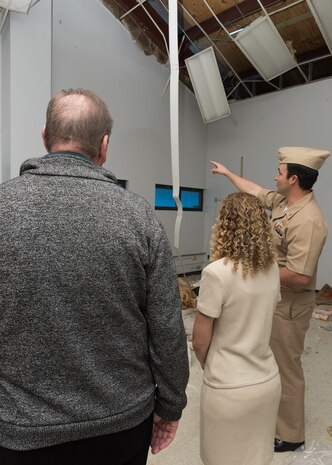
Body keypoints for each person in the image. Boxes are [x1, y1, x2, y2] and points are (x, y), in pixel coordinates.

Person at [0, 89, 189, 465]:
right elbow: (167, 327)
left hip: (20, 431)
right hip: (120, 427)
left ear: (44, 137)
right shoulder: (138, 217)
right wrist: (171, 404)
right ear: (104, 146)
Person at [210, 146, 330, 453]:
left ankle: (291, 435)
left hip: (291, 305)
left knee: (287, 368)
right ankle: (272, 419)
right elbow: (254, 189)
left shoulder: (309, 220)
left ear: (292, 178)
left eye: (279, 172)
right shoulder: (284, 201)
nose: (273, 176)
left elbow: (301, 276)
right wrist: (227, 172)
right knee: (271, 360)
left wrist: (256, 272)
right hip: (275, 298)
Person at [193, 192, 281, 465]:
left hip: (228, 388)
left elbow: (199, 341)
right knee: (257, 457)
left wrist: (216, 366)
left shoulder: (215, 273)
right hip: (267, 380)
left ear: (224, 225)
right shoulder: (273, 269)